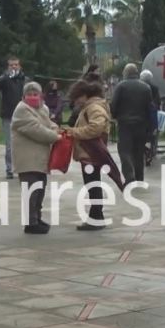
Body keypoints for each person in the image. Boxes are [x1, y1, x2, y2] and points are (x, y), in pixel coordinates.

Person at [12, 82, 61, 234]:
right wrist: (55, 137)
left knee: (40, 190)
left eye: (35, 94)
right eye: (29, 94)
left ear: (41, 95)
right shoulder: (21, 110)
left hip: (40, 158)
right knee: (31, 191)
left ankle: (36, 218)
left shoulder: (42, 108)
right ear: (23, 96)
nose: (33, 97)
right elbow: (36, 129)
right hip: (27, 158)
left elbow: (50, 124)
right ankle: (30, 223)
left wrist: (55, 130)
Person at [65, 80, 115, 230]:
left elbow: (96, 127)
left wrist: (74, 132)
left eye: (77, 98)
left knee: (93, 185)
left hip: (90, 153)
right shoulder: (93, 105)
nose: (76, 101)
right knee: (93, 185)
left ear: (84, 95)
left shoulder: (93, 107)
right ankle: (96, 216)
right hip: (91, 152)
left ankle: (96, 218)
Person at [110, 64, 153, 183]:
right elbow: (150, 107)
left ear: (126, 73)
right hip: (141, 124)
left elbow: (114, 104)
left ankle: (129, 176)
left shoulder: (121, 86)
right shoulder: (146, 87)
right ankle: (139, 177)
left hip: (125, 124)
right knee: (138, 152)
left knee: (124, 151)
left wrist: (114, 116)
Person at [0, 57, 27, 179]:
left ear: (20, 66)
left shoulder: (24, 79)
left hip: (23, 116)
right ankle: (9, 168)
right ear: (8, 67)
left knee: (23, 143)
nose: (14, 67)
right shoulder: (5, 79)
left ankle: (23, 167)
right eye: (11, 65)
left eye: (16, 65)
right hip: (8, 115)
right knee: (9, 144)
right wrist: (5, 77)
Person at [139, 69, 162, 163]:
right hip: (152, 112)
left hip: (141, 112)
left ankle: (144, 150)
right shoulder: (155, 88)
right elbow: (158, 100)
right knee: (152, 132)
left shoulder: (139, 87)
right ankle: (152, 149)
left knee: (143, 133)